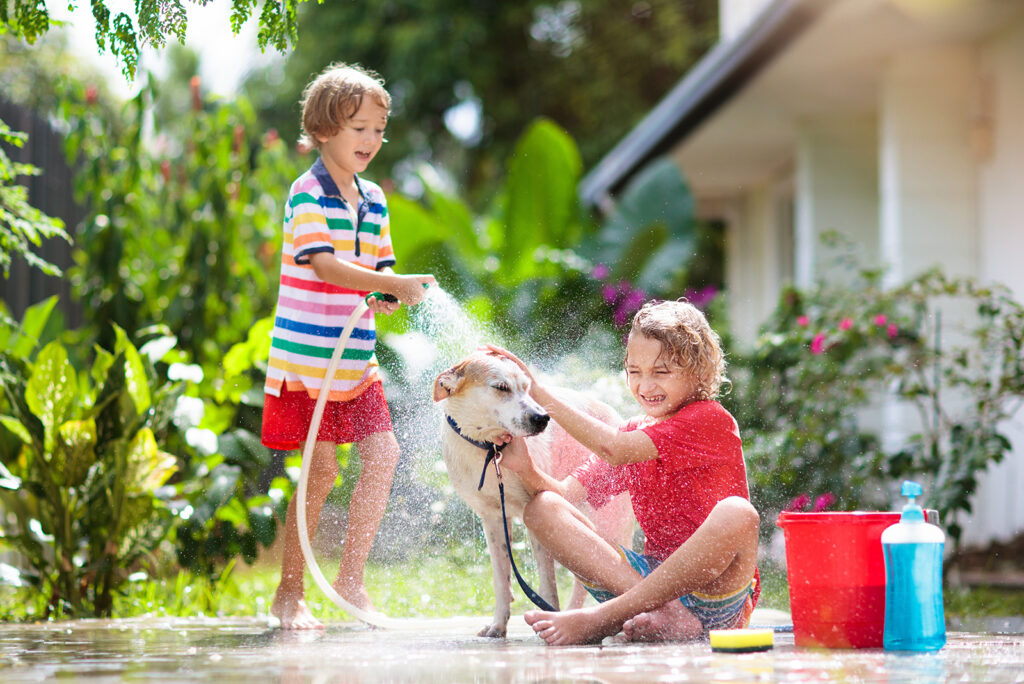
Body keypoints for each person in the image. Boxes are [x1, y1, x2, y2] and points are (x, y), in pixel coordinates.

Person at [261, 63, 436, 630]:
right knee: (320, 473)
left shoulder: (376, 198)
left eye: (378, 130)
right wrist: (387, 284)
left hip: (353, 360)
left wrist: (388, 291)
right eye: (359, 128)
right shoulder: (306, 192)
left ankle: (351, 581)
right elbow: (327, 266)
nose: (371, 141)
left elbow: (378, 265)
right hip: (308, 362)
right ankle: (290, 593)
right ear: (323, 129)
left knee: (382, 456)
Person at [488, 299, 760, 645]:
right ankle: (665, 616)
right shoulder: (634, 431)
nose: (645, 385)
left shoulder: (709, 419)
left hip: (718, 594)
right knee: (541, 508)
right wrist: (526, 469)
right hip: (646, 585)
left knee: (737, 512)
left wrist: (540, 395)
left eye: (661, 372)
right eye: (634, 371)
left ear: (700, 372)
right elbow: (566, 497)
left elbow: (614, 448)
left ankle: (605, 617)